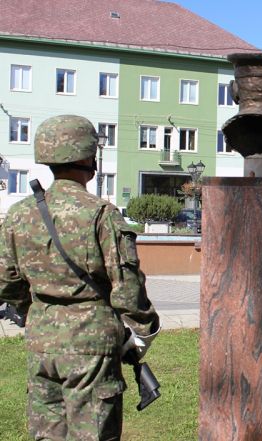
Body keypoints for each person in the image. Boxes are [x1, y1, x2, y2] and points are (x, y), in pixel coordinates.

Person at [0, 115, 160, 440]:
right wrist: (144, 329)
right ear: (89, 157)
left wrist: (34, 312)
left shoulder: (19, 214)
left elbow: (6, 281)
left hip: (42, 342)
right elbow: (127, 289)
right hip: (91, 345)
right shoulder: (101, 214)